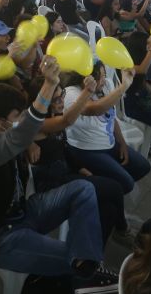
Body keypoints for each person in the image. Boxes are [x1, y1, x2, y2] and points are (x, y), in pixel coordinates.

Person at [0, 56, 120, 294]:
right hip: (2, 238)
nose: (23, 120)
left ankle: (88, 264)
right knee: (81, 270)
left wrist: (28, 143)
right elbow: (17, 137)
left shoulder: (6, 136)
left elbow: (21, 135)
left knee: (83, 189)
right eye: (18, 116)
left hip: (24, 212)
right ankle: (89, 272)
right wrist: (48, 84)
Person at [24, 76, 134, 247]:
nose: (61, 102)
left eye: (62, 96)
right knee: (114, 188)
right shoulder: (38, 123)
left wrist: (80, 168)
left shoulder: (54, 114)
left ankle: (93, 252)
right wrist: (87, 92)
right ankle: (122, 229)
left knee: (109, 207)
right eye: (56, 99)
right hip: (52, 185)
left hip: (65, 173)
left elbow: (64, 147)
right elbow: (66, 121)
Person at [62, 63, 151, 194]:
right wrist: (123, 86)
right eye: (99, 77)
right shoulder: (71, 93)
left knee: (143, 167)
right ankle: (104, 192)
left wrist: (122, 142)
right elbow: (95, 109)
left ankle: (110, 188)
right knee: (127, 183)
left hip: (109, 142)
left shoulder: (107, 85)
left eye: (104, 75)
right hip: (86, 149)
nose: (104, 80)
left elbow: (111, 116)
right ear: (86, 79)